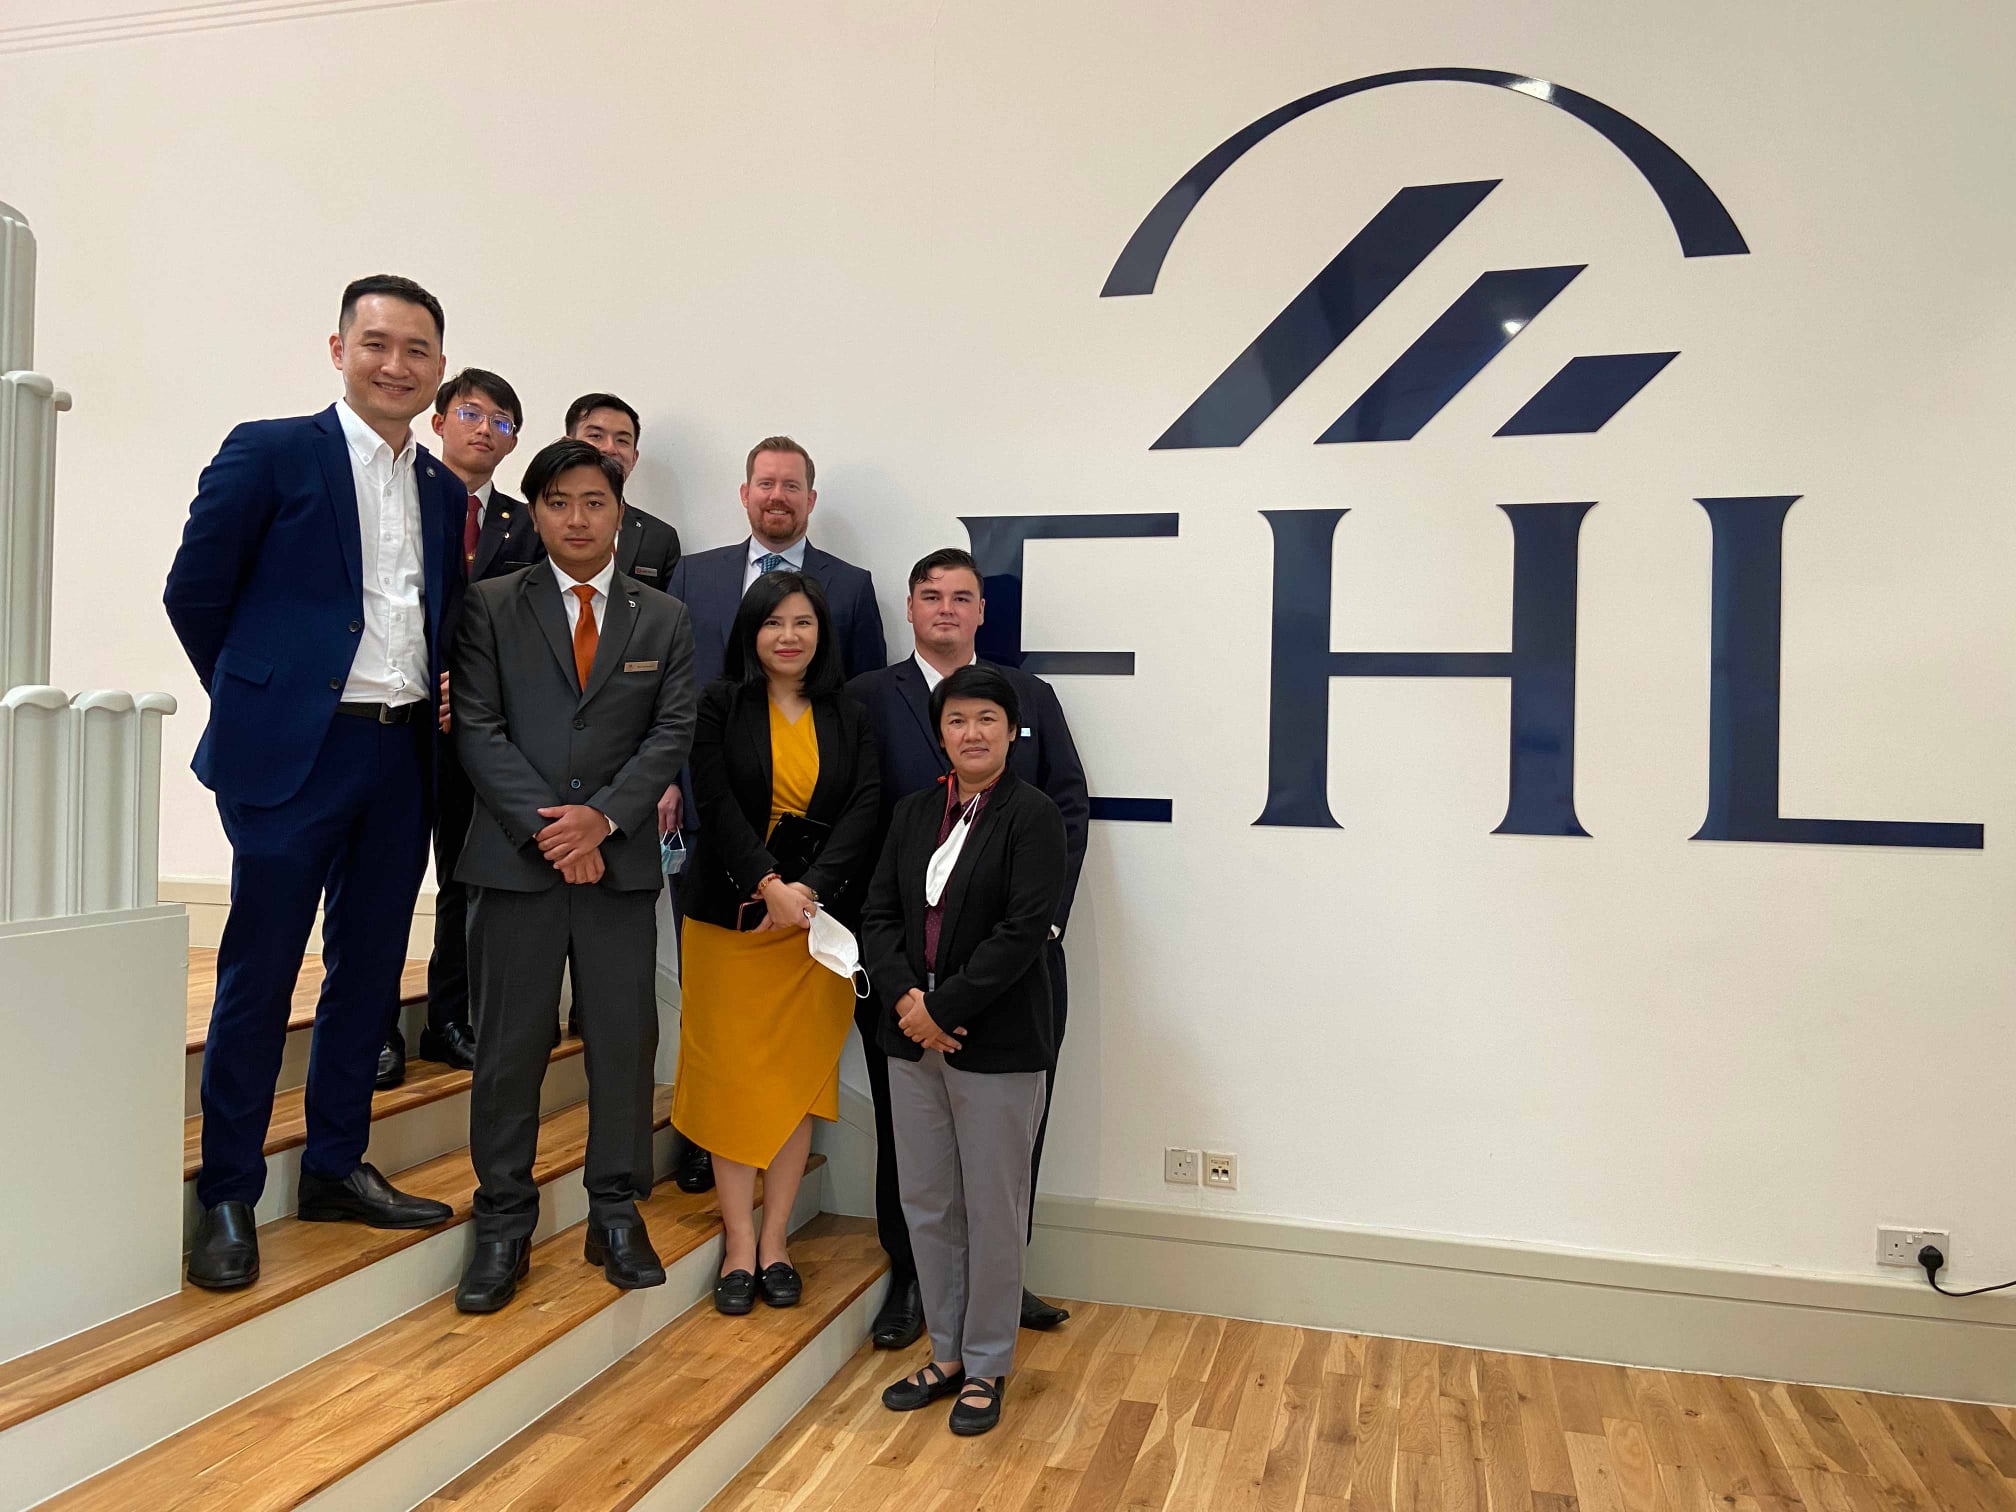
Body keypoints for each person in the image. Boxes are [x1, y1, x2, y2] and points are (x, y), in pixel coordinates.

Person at [165, 275, 464, 1290]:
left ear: (438, 366)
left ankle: (336, 1163)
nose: (396, 364)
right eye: (377, 342)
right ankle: (228, 1191)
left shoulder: (442, 491)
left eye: (417, 349)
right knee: (259, 975)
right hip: (296, 755)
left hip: (401, 754)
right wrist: (264, 698)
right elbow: (194, 591)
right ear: (338, 349)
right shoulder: (270, 451)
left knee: (370, 972)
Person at [450, 438, 698, 1313]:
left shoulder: (663, 617)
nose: (578, 518)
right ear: (537, 512)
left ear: (620, 513)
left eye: (594, 502)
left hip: (616, 867)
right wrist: (556, 829)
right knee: (508, 1051)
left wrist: (605, 819)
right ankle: (503, 1221)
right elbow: (477, 729)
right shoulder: (490, 605)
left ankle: (615, 1212)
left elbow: (670, 732)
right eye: (558, 502)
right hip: (516, 864)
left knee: (625, 1047)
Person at [847, 548, 1090, 1346]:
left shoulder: (1029, 696)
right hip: (903, 975)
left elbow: (1067, 808)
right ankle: (912, 1277)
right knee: (908, 1137)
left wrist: (1042, 926)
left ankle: (999, 1283)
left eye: (962, 597)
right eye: (931, 596)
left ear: (982, 611)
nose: (946, 609)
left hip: (1012, 972)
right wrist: (901, 983)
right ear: (909, 609)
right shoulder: (866, 697)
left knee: (1008, 1143)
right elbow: (859, 818)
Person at [659, 435, 888, 1194]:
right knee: (717, 1036)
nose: (777, 495)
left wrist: (811, 885)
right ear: (745, 492)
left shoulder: (851, 587)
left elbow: (861, 726)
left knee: (791, 1053)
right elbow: (676, 694)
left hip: (816, 885)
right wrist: (670, 784)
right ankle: (709, 1149)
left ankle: (773, 1222)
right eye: (765, 482)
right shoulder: (693, 574)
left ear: (810, 498)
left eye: (792, 484)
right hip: (719, 855)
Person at [862, 664, 1068, 1438]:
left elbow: (1023, 931)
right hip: (910, 1037)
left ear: (1011, 732)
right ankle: (945, 1353)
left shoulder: (1033, 815)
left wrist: (942, 1009)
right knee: (927, 1202)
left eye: (987, 719)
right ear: (940, 735)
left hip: (997, 1041)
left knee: (992, 1208)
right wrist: (908, 1004)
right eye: (957, 721)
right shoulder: (914, 812)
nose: (972, 733)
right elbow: (879, 915)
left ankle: (986, 1365)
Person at [673, 571, 880, 1316]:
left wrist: (807, 893)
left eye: (803, 623)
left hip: (812, 931)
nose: (788, 637)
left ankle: (776, 1242)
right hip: (730, 923)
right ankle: (737, 1243)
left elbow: (865, 808)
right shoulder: (718, 704)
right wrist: (768, 885)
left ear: (822, 633)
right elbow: (715, 802)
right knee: (732, 1083)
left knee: (795, 1088)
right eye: (773, 623)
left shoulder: (850, 712)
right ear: (750, 632)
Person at [378, 367, 540, 1088]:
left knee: (465, 882)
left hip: (479, 733)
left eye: (502, 422)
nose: (485, 429)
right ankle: (374, 1026)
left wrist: (475, 693)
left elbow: (531, 632)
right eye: (472, 413)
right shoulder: (400, 500)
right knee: (382, 881)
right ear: (439, 420)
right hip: (398, 720)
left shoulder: (526, 526)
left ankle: (449, 1017)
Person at [564, 392, 682, 587]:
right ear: (567, 446)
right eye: (596, 436)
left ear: (634, 458)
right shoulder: (531, 524)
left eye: (622, 440)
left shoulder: (660, 537)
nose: (610, 448)